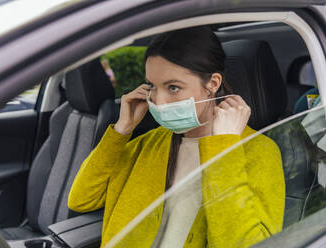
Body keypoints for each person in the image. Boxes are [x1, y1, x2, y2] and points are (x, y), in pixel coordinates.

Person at [68, 26, 285, 248]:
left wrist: (224, 148)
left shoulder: (259, 150)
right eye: (152, 86)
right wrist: (121, 130)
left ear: (213, 83)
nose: (159, 101)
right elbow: (81, 199)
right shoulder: (147, 143)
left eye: (173, 88)